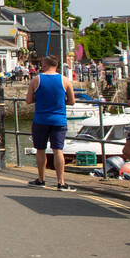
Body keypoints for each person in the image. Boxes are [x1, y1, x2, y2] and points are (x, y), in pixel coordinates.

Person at [26, 54, 77, 191]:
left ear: (45, 65)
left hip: (41, 119)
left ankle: (41, 179)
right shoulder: (65, 80)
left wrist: (40, 99)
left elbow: (28, 100)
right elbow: (72, 101)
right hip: (59, 119)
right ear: (57, 65)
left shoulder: (36, 80)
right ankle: (61, 182)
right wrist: (61, 102)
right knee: (58, 151)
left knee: (40, 150)